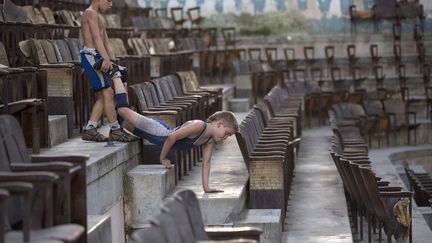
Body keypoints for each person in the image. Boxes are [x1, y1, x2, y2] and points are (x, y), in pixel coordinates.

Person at [109, 72, 238, 193]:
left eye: (228, 136)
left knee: (120, 119)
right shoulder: (199, 125)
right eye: (226, 133)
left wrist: (206, 188)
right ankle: (116, 75)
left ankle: (121, 82)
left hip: (156, 136)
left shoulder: (210, 141)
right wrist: (163, 158)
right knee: (122, 111)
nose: (226, 137)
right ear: (219, 124)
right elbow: (172, 137)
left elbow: (206, 163)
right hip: (157, 131)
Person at [80, 0, 137, 142]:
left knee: (103, 94)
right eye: (108, 0)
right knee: (107, 92)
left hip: (99, 56)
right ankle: (115, 130)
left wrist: (113, 61)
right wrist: (106, 59)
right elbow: (96, 38)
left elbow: (106, 41)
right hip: (91, 56)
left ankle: (90, 129)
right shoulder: (90, 13)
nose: (111, 4)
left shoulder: (99, 16)